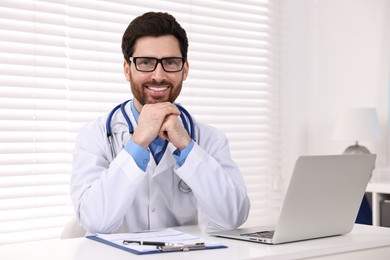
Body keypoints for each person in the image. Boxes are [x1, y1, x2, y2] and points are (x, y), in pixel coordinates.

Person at [71, 11, 250, 234]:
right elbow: (95, 220)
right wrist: (137, 143)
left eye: (170, 62)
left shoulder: (209, 138)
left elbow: (231, 218)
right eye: (145, 62)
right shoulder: (95, 135)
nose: (158, 75)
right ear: (127, 70)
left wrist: (187, 147)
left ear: (184, 70)